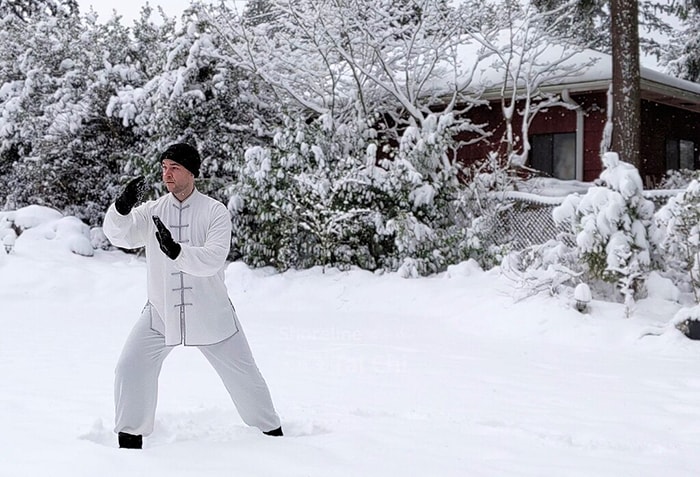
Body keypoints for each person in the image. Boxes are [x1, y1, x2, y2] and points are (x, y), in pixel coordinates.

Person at [103, 143, 282, 449]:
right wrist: (121, 207)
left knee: (245, 377)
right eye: (163, 167)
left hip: (212, 314)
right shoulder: (152, 211)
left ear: (191, 172)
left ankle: (272, 433)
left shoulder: (214, 211)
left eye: (174, 167)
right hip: (161, 312)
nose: (167, 174)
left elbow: (213, 258)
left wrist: (177, 251)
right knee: (130, 367)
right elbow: (119, 235)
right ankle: (130, 439)